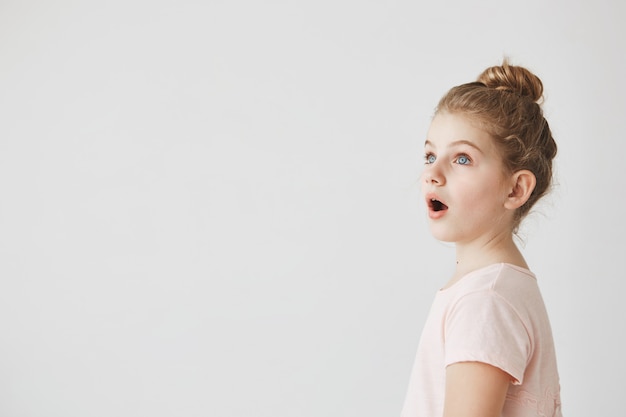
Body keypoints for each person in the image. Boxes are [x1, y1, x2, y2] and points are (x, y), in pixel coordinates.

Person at [400, 61, 562, 417]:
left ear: (516, 188)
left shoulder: (485, 301)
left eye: (461, 158)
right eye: (430, 155)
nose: (432, 173)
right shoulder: (494, 288)